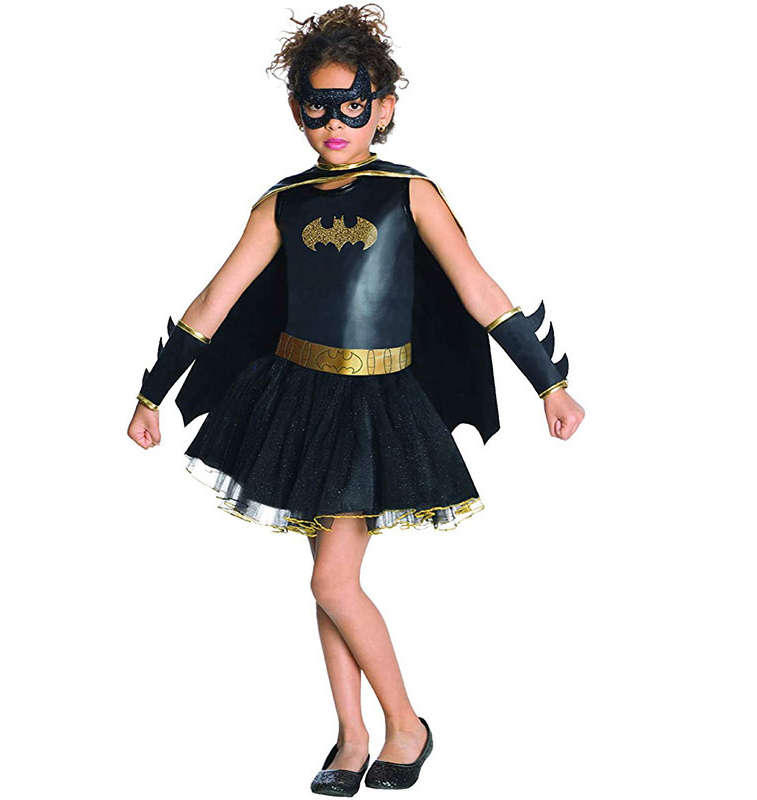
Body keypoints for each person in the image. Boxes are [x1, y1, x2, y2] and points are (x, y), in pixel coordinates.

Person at [127, 4, 585, 794]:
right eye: (318, 106)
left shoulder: (410, 193)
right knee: (328, 579)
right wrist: (150, 393)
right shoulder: (282, 203)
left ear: (384, 106)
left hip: (375, 408)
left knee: (332, 582)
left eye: (351, 105)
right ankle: (351, 736)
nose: (334, 122)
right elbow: (215, 300)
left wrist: (550, 381)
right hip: (297, 399)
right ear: (296, 109)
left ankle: (406, 726)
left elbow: (478, 290)